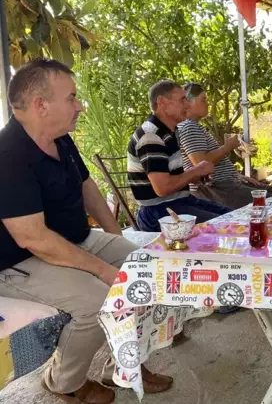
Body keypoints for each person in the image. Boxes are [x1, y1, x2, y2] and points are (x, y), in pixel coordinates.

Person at [0, 60, 173, 404]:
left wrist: (119, 238)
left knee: (144, 268)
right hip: (21, 260)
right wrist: (102, 269)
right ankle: (62, 380)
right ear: (41, 105)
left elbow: (87, 188)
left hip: (73, 240)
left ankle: (121, 364)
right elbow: (32, 238)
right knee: (97, 300)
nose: (79, 106)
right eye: (72, 98)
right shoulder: (8, 155)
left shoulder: (60, 139)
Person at [128, 80, 231, 232]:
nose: (187, 105)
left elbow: (172, 182)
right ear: (162, 103)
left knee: (234, 218)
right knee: (226, 227)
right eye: (182, 100)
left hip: (179, 202)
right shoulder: (151, 135)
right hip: (158, 212)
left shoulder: (170, 132)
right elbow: (162, 188)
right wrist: (196, 171)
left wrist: (196, 175)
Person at [177, 83, 272, 209]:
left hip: (224, 185)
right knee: (268, 200)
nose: (207, 103)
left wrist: (237, 176)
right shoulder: (189, 127)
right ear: (188, 103)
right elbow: (201, 164)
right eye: (203, 99)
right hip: (217, 189)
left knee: (267, 191)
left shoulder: (192, 126)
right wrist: (228, 146)